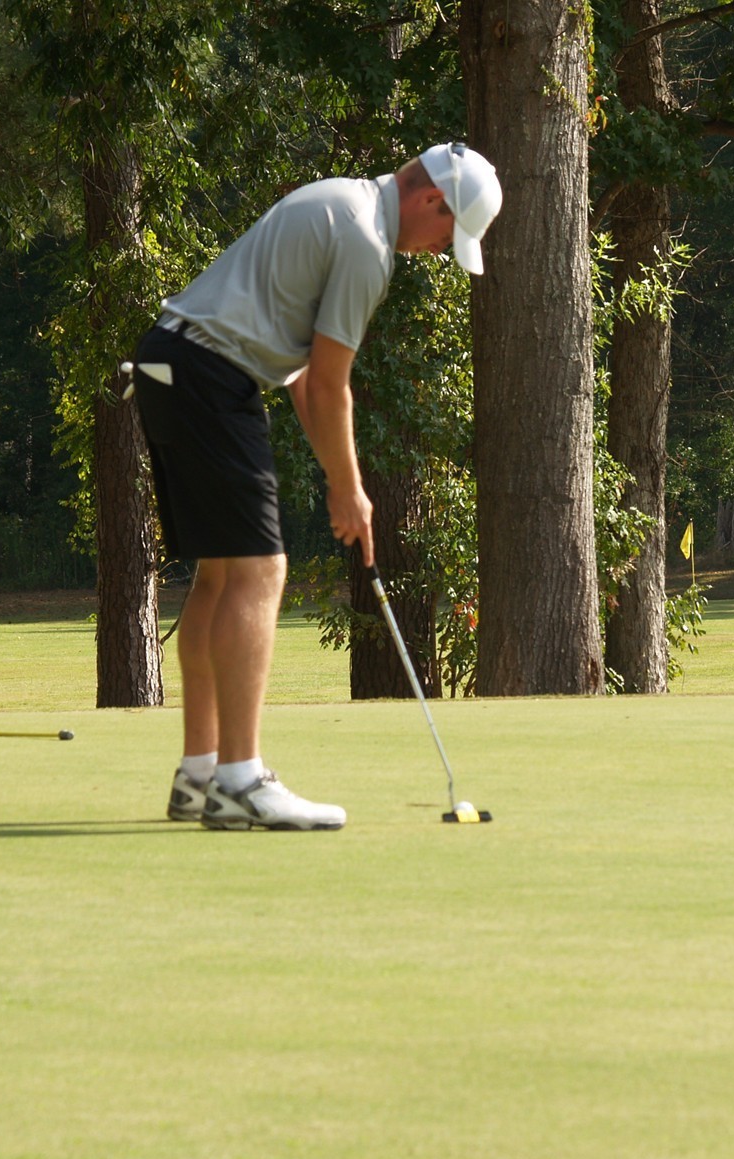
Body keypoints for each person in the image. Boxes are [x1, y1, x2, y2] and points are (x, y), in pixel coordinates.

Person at [129, 142, 502, 831]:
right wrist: (350, 490)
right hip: (210, 375)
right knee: (262, 570)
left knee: (222, 574)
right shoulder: (367, 242)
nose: (439, 251)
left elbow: (302, 378)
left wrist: (340, 480)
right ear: (431, 200)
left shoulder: (341, 201)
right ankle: (241, 782)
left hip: (169, 363)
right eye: (447, 235)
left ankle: (200, 774)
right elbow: (332, 385)